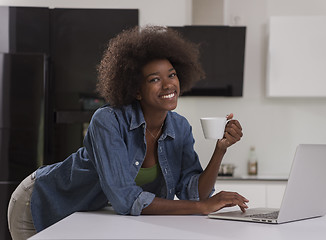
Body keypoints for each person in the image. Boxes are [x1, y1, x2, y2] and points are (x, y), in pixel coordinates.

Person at [7, 25, 248, 240]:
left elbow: (193, 192)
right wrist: (203, 207)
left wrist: (220, 150)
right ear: (136, 90)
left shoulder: (180, 127)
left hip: (84, 216)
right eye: (155, 79)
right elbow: (126, 199)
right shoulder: (108, 121)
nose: (168, 85)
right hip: (39, 204)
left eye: (172, 75)